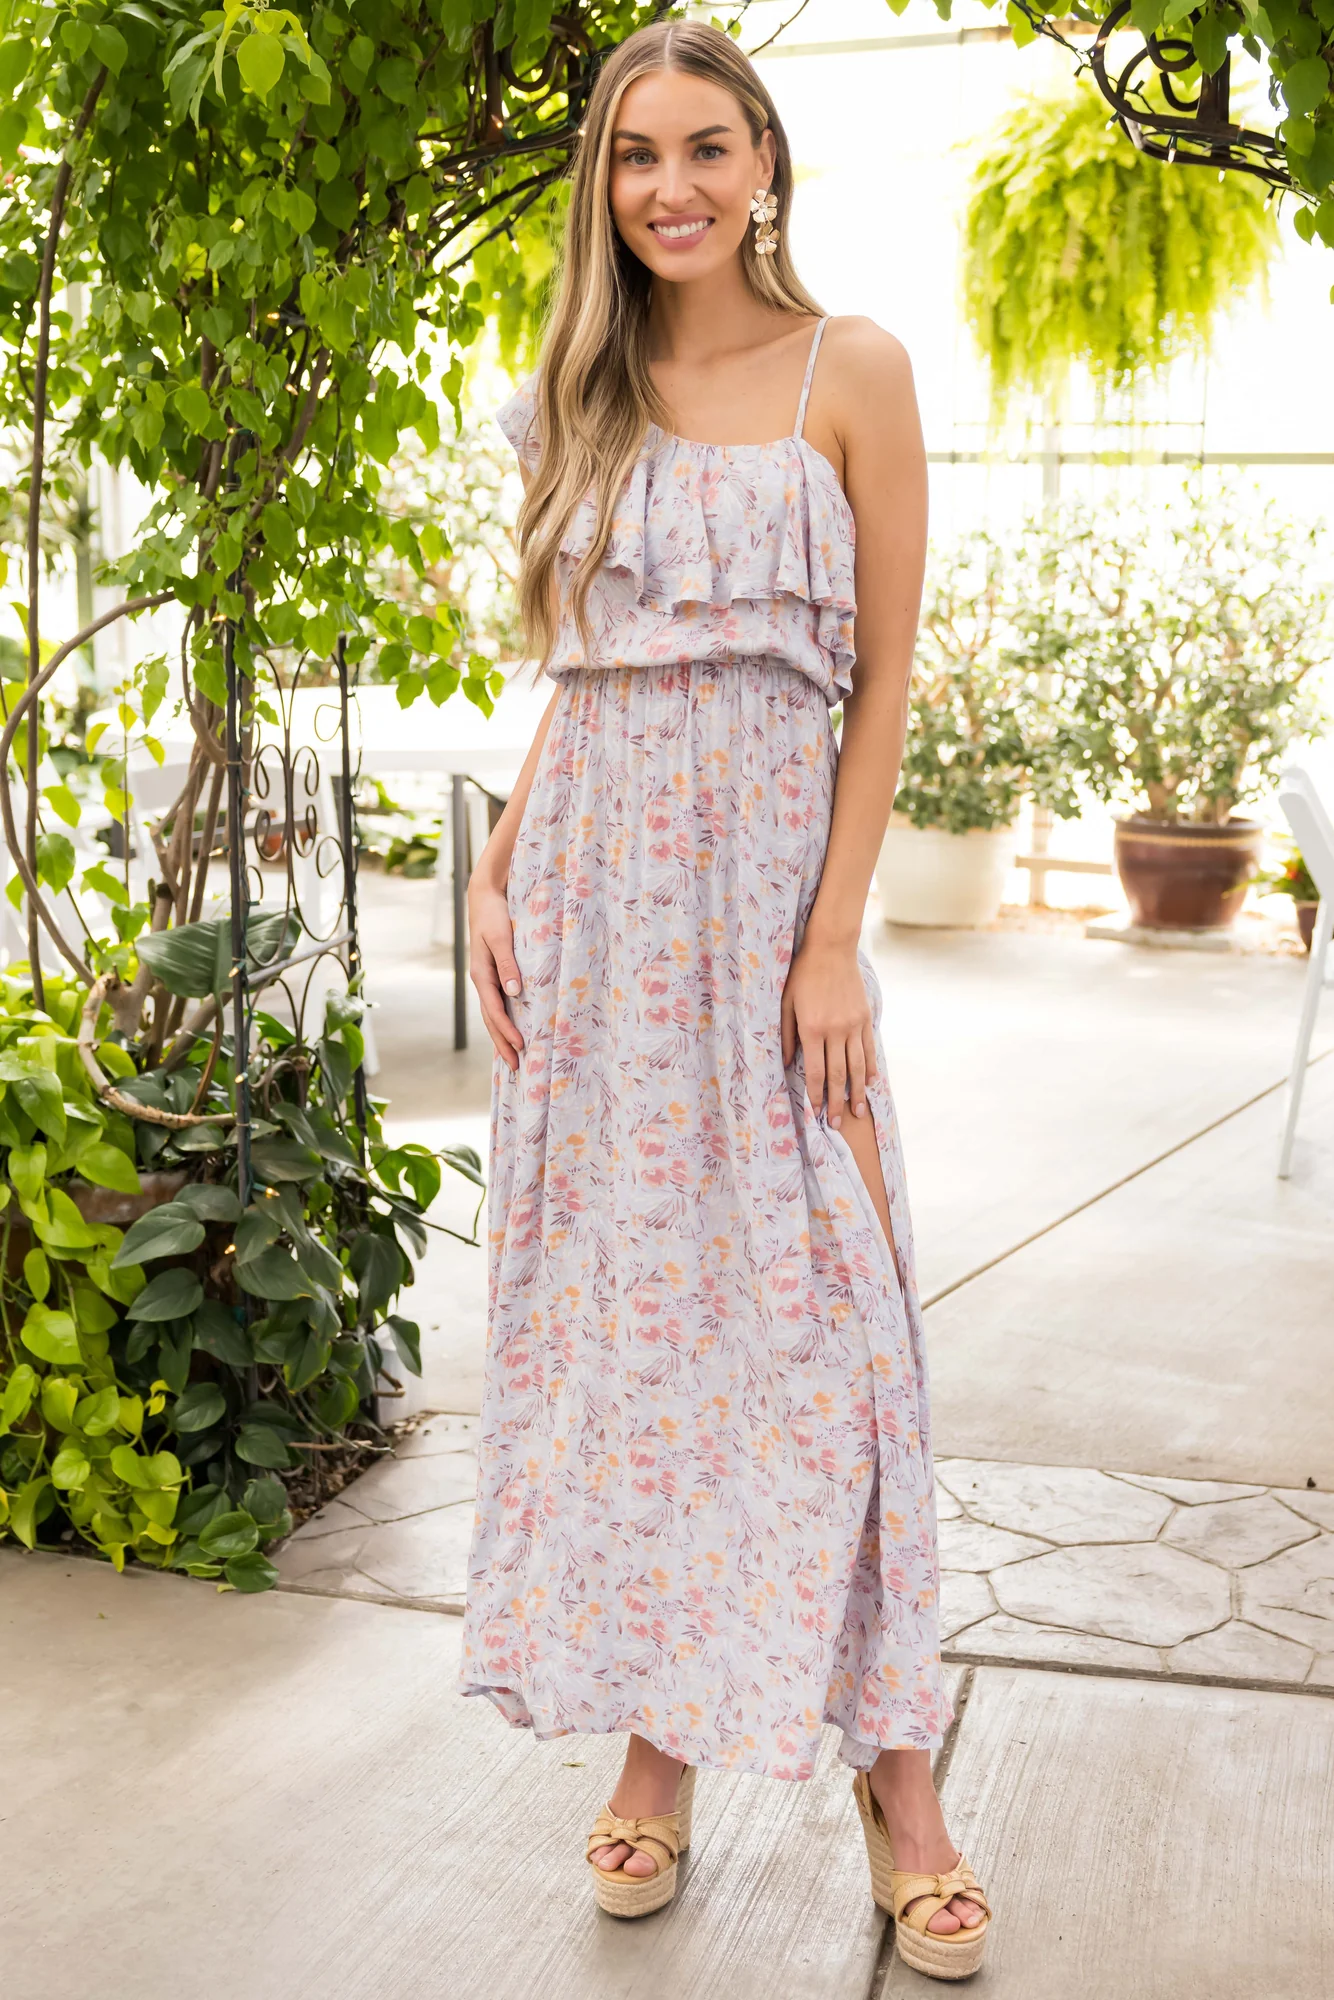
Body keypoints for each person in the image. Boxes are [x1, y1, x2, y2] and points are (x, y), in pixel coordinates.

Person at [459, 18, 990, 1980]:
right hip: (592, 909)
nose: (668, 186)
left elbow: (884, 671)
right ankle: (654, 1743)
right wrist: (502, 863)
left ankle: (900, 1777)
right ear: (601, 186)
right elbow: (581, 668)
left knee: (836, 1327)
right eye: (633, 155)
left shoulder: (853, 368)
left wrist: (832, 934)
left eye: (702, 146)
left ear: (763, 159)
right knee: (632, 1337)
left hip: (768, 913)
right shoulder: (571, 392)